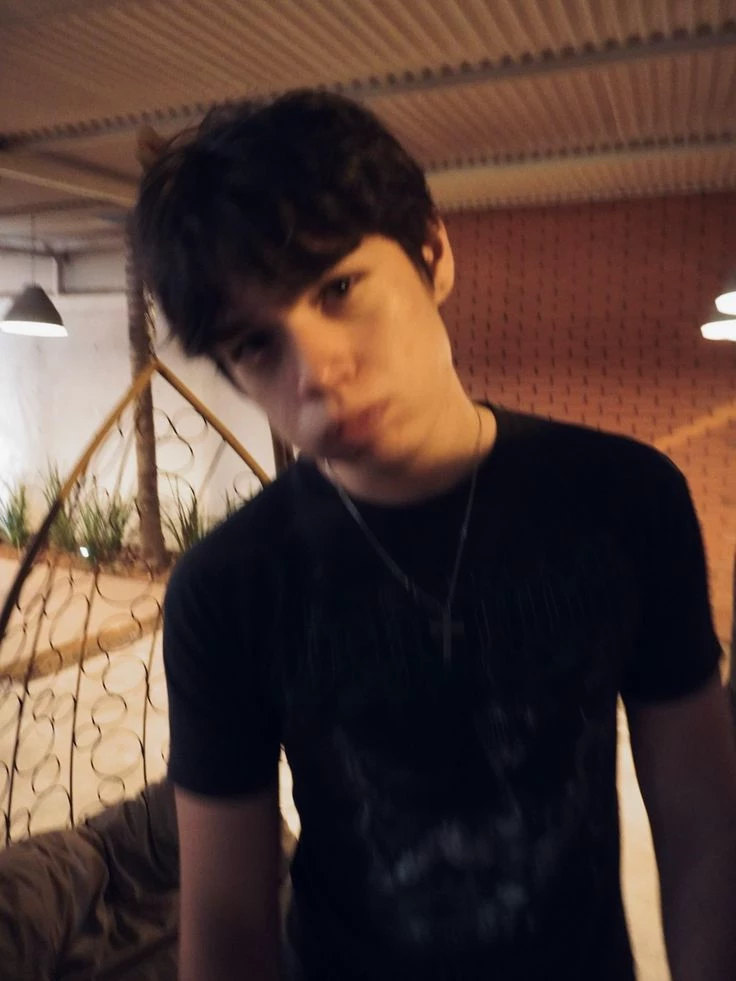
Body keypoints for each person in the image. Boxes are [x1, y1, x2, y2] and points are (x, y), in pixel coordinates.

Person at [134, 90, 736, 981]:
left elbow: (703, 826)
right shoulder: (228, 587)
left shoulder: (626, 500)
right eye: (258, 345)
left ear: (434, 252)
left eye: (339, 289)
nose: (317, 372)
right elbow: (226, 920)